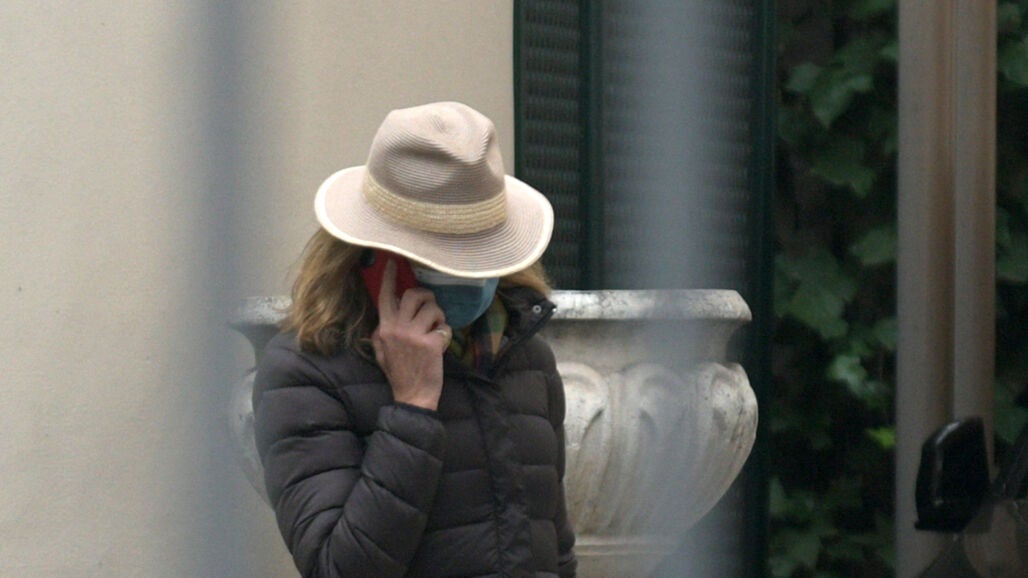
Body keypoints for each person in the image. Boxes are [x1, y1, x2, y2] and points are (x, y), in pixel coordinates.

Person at [252, 101, 577, 577]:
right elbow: (337, 568)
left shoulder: (525, 354)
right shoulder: (306, 370)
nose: (467, 276)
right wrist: (412, 406)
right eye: (440, 260)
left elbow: (556, 547)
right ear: (372, 257)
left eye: (479, 255)